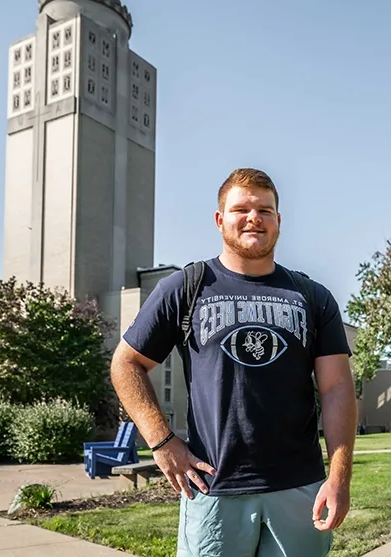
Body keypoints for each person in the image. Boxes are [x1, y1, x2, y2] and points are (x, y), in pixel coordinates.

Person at [110, 168, 357, 556]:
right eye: (241, 208)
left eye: (265, 209)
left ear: (279, 221)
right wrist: (161, 441)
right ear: (219, 219)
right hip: (213, 485)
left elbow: (337, 389)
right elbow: (125, 364)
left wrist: (339, 479)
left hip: (300, 489)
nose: (254, 217)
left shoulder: (312, 296)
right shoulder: (186, 288)